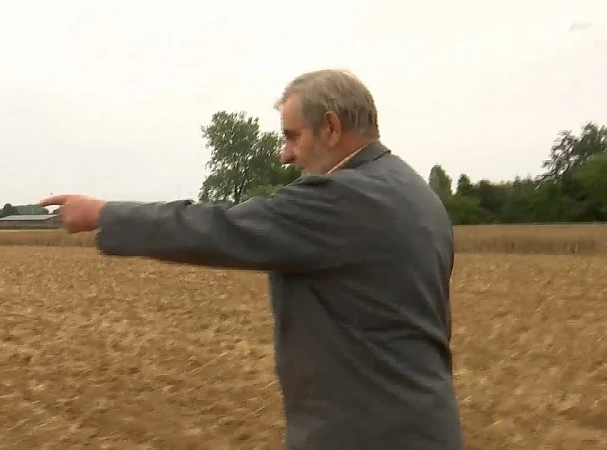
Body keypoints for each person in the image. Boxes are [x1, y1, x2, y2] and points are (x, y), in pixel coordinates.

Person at [40, 69, 464, 449]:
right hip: (425, 424)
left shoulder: (345, 197)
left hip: (365, 434)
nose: (285, 153)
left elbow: (219, 227)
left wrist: (102, 214)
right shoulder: (417, 194)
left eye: (292, 135)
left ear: (331, 127)